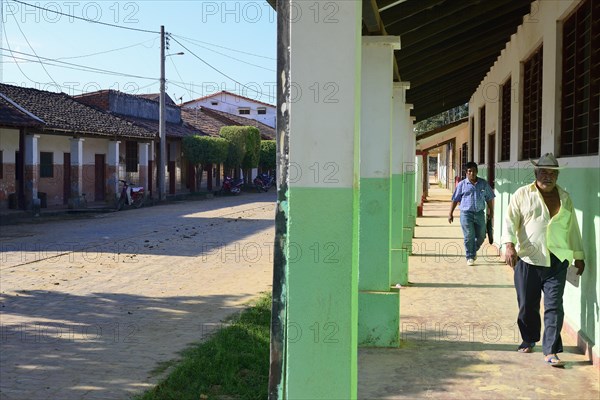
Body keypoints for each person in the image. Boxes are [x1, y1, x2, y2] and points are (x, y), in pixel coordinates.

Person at [501, 153, 585, 367]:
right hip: (528, 259)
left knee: (554, 306)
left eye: (552, 173)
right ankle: (529, 338)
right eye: (544, 172)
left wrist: (578, 255)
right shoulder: (522, 194)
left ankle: (551, 350)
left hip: (557, 261)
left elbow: (573, 229)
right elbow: (510, 221)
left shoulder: (565, 197)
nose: (548, 176)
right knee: (527, 305)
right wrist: (509, 245)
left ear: (557, 175)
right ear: (536, 173)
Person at [448, 161, 495, 265]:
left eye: (474, 171)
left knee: (482, 236)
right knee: (469, 235)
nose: (472, 173)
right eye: (469, 171)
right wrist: (450, 213)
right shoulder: (462, 185)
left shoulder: (483, 184)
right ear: (466, 173)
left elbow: (489, 198)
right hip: (466, 214)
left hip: (479, 214)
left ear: (477, 171)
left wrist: (491, 211)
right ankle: (470, 256)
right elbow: (455, 199)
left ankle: (473, 250)